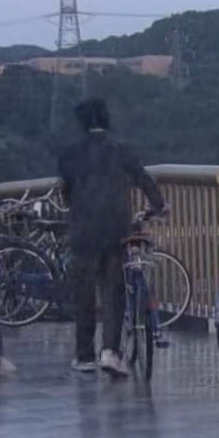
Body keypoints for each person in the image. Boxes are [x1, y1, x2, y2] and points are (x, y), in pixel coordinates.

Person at [58, 97, 167, 376]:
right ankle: (110, 351)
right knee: (113, 291)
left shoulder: (70, 154)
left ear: (82, 122)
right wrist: (160, 206)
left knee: (84, 294)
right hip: (116, 229)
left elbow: (66, 191)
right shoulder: (121, 149)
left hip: (83, 230)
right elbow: (144, 180)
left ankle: (84, 355)